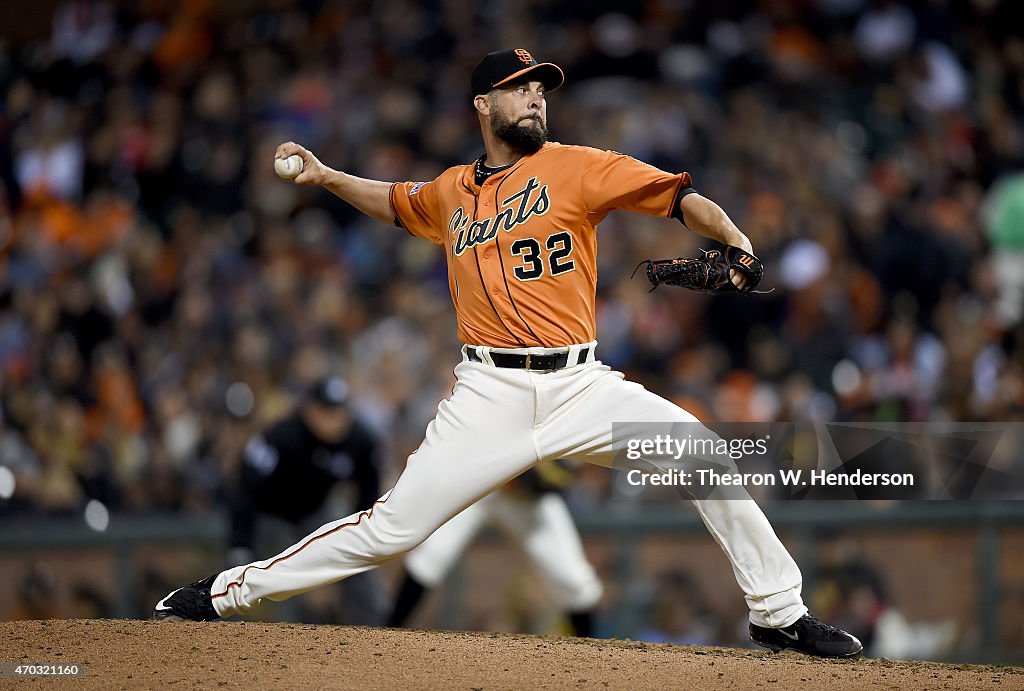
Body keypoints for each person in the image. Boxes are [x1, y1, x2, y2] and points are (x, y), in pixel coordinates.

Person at [153, 48, 862, 658]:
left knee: (702, 453)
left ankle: (780, 613)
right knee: (390, 530)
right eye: (520, 89)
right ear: (483, 105)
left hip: (581, 383)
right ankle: (224, 594)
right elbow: (397, 201)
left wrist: (735, 240)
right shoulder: (451, 192)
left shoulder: (578, 167)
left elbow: (683, 200)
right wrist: (328, 176)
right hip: (488, 394)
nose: (534, 98)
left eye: (540, 89)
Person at [224, 376, 385, 625]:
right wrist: (240, 543)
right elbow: (246, 489)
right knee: (279, 580)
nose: (335, 419)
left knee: (357, 557)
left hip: (315, 515)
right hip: (271, 519)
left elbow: (368, 494)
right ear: (311, 410)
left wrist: (361, 538)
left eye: (340, 411)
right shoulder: (281, 437)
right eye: (327, 411)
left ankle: (382, 635)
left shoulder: (360, 440)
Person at [388, 461, 602, 637]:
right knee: (431, 558)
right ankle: (388, 634)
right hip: (480, 486)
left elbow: (569, 470)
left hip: (528, 503)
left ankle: (596, 659)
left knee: (574, 582)